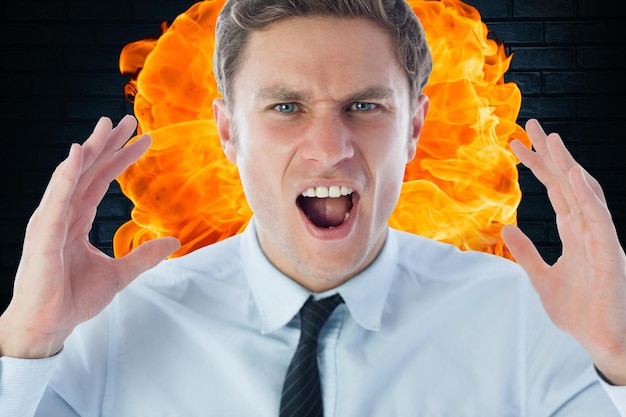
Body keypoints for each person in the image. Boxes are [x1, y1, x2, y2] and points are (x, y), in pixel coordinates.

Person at [1, 0, 625, 415]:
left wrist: (619, 359)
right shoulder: (112, 329)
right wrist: (24, 342)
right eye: (285, 107)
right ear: (227, 132)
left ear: (414, 128)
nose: (330, 149)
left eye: (365, 105)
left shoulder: (523, 320)